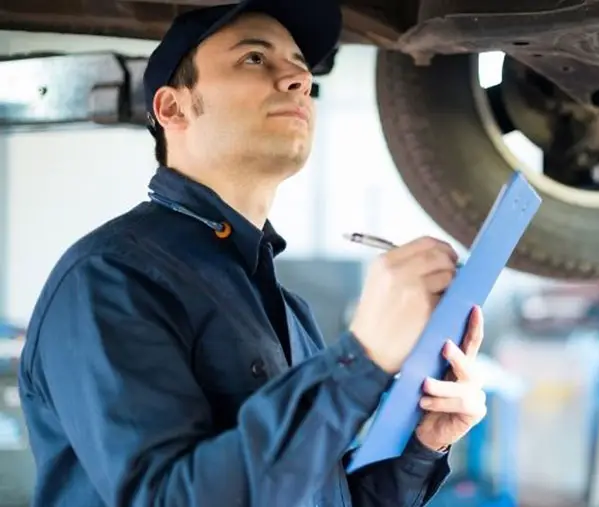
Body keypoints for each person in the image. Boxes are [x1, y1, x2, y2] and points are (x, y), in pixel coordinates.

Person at [16, 1, 488, 505]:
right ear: (172, 108)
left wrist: (423, 444)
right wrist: (361, 359)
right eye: (255, 59)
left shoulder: (287, 311)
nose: (297, 81)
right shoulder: (110, 280)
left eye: (303, 71)